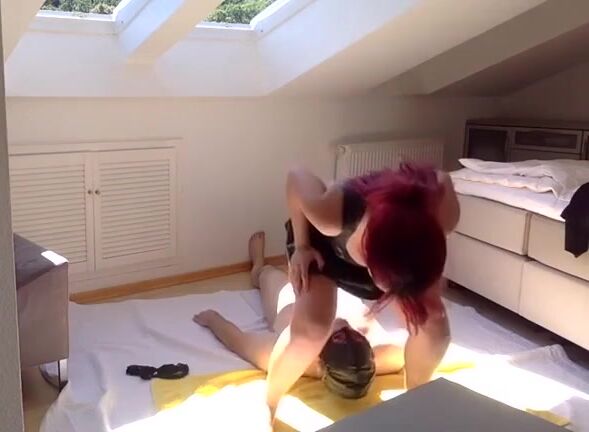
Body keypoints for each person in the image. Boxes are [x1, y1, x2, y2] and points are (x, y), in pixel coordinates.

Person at [261, 163, 460, 419]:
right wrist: (301, 246)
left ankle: (415, 399)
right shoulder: (332, 213)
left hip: (397, 247)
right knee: (312, 327)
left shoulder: (442, 211)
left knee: (433, 324)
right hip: (323, 247)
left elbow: (442, 178)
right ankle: (269, 402)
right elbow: (296, 176)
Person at [194, 232, 405, 399]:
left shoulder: (289, 356)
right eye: (356, 335)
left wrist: (212, 319)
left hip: (291, 301)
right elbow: (412, 347)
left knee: (267, 274)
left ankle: (258, 265)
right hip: (340, 292)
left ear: (320, 356)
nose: (346, 327)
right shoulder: (383, 358)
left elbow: (238, 340)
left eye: (339, 335)